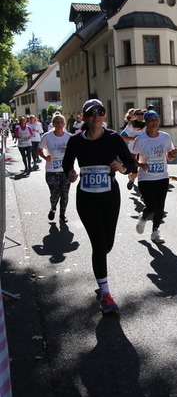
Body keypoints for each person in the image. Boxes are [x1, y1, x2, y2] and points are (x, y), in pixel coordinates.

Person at [62, 99, 136, 313]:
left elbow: (130, 163)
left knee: (107, 244)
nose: (96, 116)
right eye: (91, 112)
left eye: (100, 112)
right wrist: (70, 172)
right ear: (85, 117)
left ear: (104, 116)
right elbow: (67, 162)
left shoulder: (113, 138)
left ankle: (101, 281)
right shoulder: (76, 141)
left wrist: (122, 168)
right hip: (86, 197)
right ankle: (105, 294)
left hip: (109, 196)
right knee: (98, 244)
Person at [133, 111, 177, 243]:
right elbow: (132, 158)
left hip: (162, 176)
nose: (155, 122)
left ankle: (155, 232)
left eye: (156, 120)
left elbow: (169, 157)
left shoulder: (165, 137)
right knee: (151, 205)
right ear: (146, 122)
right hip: (146, 177)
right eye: (152, 120)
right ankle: (144, 216)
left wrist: (173, 154)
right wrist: (140, 165)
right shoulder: (140, 139)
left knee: (160, 206)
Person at [38, 113, 72, 222]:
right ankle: (53, 208)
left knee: (64, 194)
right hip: (51, 170)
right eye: (57, 122)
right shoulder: (47, 136)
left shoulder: (69, 137)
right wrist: (45, 156)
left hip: (65, 171)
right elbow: (39, 149)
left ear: (64, 124)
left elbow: (76, 151)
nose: (59, 124)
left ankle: (62, 215)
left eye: (61, 122)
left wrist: (69, 151)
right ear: (53, 124)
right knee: (55, 194)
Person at [121, 109, 146, 191]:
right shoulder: (130, 125)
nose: (140, 115)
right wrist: (133, 138)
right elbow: (122, 136)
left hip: (144, 152)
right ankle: (131, 179)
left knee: (144, 172)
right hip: (133, 152)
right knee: (135, 173)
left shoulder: (146, 125)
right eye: (138, 114)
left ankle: (143, 192)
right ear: (134, 116)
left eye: (141, 114)